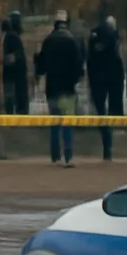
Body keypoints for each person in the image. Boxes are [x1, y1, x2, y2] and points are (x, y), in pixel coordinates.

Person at [35, 10, 84, 166]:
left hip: (52, 88)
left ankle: (55, 156)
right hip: (68, 89)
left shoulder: (48, 41)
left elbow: (41, 66)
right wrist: (76, 80)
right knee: (68, 123)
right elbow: (78, 66)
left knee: (55, 123)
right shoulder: (73, 41)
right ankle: (68, 156)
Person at [87, 15, 125, 161]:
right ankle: (109, 142)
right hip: (113, 78)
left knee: (101, 111)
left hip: (97, 78)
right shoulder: (114, 40)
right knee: (112, 109)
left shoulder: (94, 38)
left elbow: (90, 59)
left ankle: (106, 138)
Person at [2, 10, 29, 114]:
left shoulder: (10, 36)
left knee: (11, 97)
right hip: (16, 74)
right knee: (18, 97)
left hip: (11, 74)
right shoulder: (13, 36)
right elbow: (16, 55)